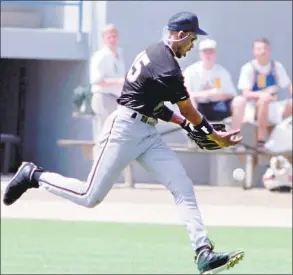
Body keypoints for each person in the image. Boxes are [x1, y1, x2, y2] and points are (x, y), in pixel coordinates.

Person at [3, 12, 244, 275]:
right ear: (179, 35)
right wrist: (212, 134)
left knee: (182, 186)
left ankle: (202, 252)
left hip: (147, 133)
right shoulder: (167, 65)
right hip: (124, 131)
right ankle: (33, 175)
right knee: (89, 196)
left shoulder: (156, 54)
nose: (192, 45)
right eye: (192, 39)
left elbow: (157, 106)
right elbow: (188, 110)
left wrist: (187, 126)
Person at [238, 38, 292, 150]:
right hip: (254, 107)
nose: (262, 51)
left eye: (265, 49)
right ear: (254, 51)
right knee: (264, 100)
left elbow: (288, 85)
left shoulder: (277, 66)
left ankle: (279, 135)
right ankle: (261, 141)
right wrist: (261, 95)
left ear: (269, 50)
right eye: (259, 49)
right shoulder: (248, 68)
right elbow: (246, 94)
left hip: (273, 106)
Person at [184, 38, 246, 131]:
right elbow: (184, 93)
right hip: (199, 106)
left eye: (211, 52)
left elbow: (231, 94)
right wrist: (206, 94)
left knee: (240, 101)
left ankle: (233, 135)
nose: (208, 55)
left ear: (215, 54)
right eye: (205, 52)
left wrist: (219, 95)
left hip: (218, 105)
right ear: (200, 54)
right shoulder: (191, 71)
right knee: (190, 101)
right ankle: (197, 135)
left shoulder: (221, 71)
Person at [90, 24, 125, 144]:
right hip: (103, 97)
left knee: (117, 132)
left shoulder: (119, 54)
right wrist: (119, 81)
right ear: (103, 39)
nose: (112, 40)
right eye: (109, 37)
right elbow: (97, 81)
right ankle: (101, 159)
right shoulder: (100, 56)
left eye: (114, 36)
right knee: (106, 132)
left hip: (116, 98)